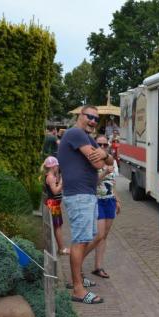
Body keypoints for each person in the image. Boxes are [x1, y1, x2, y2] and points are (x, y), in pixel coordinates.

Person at [58, 105, 114, 304]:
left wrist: (106, 156)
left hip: (88, 194)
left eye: (96, 119)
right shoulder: (75, 133)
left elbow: (110, 161)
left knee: (95, 236)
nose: (92, 121)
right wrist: (104, 157)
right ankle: (78, 289)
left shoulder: (87, 137)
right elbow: (100, 164)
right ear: (80, 116)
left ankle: (77, 277)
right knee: (80, 240)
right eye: (89, 116)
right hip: (79, 195)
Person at [91, 135, 120, 279]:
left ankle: (98, 266)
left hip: (109, 201)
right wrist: (104, 172)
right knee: (99, 235)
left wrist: (117, 200)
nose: (102, 147)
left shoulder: (112, 162)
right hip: (97, 201)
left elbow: (113, 183)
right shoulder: (92, 161)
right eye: (99, 144)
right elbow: (92, 183)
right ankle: (80, 261)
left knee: (104, 236)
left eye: (104, 144)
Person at [41, 156, 69, 256]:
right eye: (57, 166)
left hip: (54, 204)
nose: (58, 168)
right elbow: (55, 191)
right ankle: (62, 248)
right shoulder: (51, 177)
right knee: (57, 227)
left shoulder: (50, 175)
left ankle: (61, 248)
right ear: (53, 167)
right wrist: (62, 183)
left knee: (58, 226)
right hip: (53, 205)